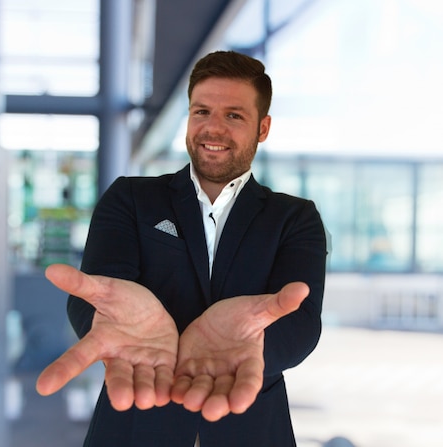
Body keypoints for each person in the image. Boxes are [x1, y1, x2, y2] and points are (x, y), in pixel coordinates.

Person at [36, 50, 327, 446]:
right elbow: (99, 294)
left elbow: (303, 322)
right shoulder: (130, 199)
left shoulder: (295, 218)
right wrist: (115, 327)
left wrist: (248, 348)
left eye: (234, 115)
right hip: (136, 421)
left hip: (251, 425)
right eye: (201, 111)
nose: (213, 128)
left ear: (263, 127)